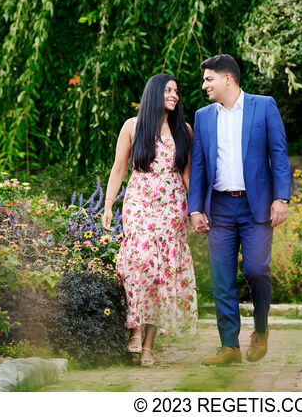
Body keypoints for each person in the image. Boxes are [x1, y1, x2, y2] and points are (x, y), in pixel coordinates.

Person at [188, 54, 291, 365]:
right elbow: (199, 167)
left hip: (256, 205)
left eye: (209, 79)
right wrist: (195, 209)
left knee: (256, 271)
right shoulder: (203, 116)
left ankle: (261, 329)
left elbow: (279, 155)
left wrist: (281, 198)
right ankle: (229, 346)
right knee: (221, 278)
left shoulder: (264, 105)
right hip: (218, 206)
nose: (204, 85)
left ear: (228, 78)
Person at [102, 73, 197, 366]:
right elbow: (119, 169)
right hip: (140, 201)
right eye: (169, 90)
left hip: (172, 207)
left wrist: (196, 211)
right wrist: (108, 205)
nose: (174, 96)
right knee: (139, 261)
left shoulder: (184, 130)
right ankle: (136, 328)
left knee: (164, 273)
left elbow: (187, 175)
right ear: (155, 92)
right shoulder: (133, 126)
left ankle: (149, 345)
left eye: (177, 92)